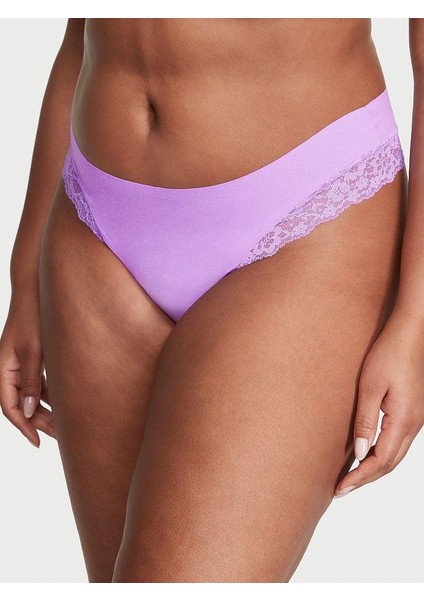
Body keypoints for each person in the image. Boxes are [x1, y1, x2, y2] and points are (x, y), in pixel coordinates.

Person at [1, 18, 423, 583]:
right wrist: (24, 274)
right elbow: (79, 30)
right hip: (93, 226)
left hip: (304, 219)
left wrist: (417, 319)